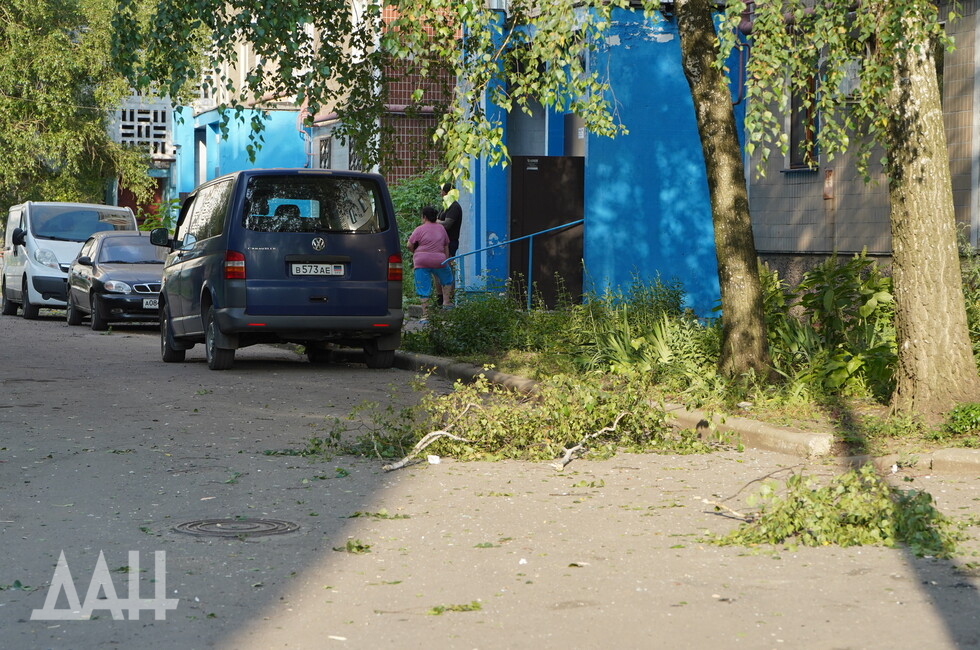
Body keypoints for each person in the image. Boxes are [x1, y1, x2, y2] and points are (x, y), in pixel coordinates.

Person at [407, 206, 454, 323]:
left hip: (421, 260)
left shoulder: (419, 229)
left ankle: (425, 316)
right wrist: (446, 260)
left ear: (424, 217)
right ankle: (446, 303)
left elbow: (409, 245)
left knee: (423, 287)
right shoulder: (441, 229)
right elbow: (446, 245)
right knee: (447, 279)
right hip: (439, 259)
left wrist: (416, 252)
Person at [435, 183, 463, 305]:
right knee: (437, 269)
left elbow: (447, 224)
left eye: (442, 191)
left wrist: (435, 222)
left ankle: (448, 299)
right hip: (440, 243)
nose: (441, 193)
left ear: (447, 192)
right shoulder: (446, 206)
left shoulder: (454, 207)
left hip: (450, 243)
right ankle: (440, 298)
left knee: (446, 270)